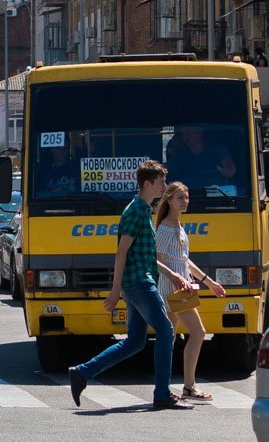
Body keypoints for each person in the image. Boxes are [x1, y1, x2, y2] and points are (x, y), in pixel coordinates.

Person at [68, 160, 193, 410]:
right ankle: (161, 394)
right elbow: (121, 251)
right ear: (147, 183)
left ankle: (82, 373)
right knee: (167, 331)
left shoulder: (143, 210)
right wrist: (115, 290)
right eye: (160, 182)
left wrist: (169, 275)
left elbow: (145, 255)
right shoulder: (136, 211)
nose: (163, 187)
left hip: (139, 281)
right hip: (138, 283)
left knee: (135, 342)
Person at [155, 181, 227, 401]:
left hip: (181, 284)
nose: (185, 201)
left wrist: (209, 282)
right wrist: (174, 278)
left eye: (186, 197)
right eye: (180, 198)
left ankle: (167, 387)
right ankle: (189, 385)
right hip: (175, 288)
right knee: (198, 332)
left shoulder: (178, 226)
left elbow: (184, 261)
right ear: (169, 200)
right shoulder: (166, 228)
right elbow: (155, 259)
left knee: (170, 337)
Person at [168, 125, 236, 184]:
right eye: (183, 133)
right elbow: (173, 181)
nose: (185, 135)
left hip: (218, 194)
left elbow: (231, 170)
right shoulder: (179, 156)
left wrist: (218, 173)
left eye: (188, 131)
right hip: (188, 196)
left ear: (199, 131)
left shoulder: (216, 149)